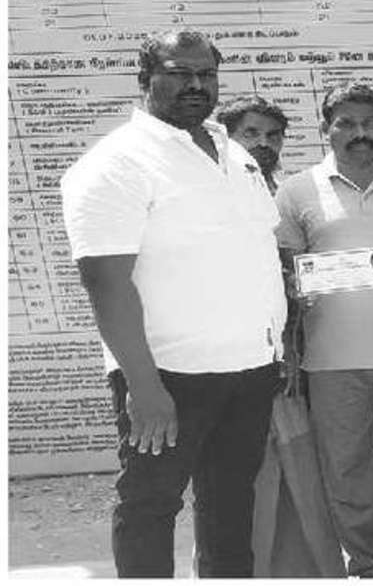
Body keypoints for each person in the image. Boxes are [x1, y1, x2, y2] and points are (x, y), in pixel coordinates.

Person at [63, 30, 285, 577]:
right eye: (179, 73)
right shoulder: (116, 163)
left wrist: (273, 352)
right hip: (168, 377)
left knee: (230, 505)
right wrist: (143, 387)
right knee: (150, 506)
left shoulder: (233, 152)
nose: (195, 85)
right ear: (145, 79)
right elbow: (106, 284)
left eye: (206, 74)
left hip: (249, 371)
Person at [273, 84, 373, 578]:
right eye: (346, 123)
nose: (359, 133)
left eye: (369, 122)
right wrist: (297, 287)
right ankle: (364, 560)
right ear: (325, 129)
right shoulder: (298, 190)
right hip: (331, 357)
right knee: (346, 465)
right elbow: (285, 267)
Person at [215, 95, 289, 192]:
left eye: (272, 135)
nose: (264, 143)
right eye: (251, 134)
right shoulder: (217, 189)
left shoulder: (285, 193)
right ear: (227, 138)